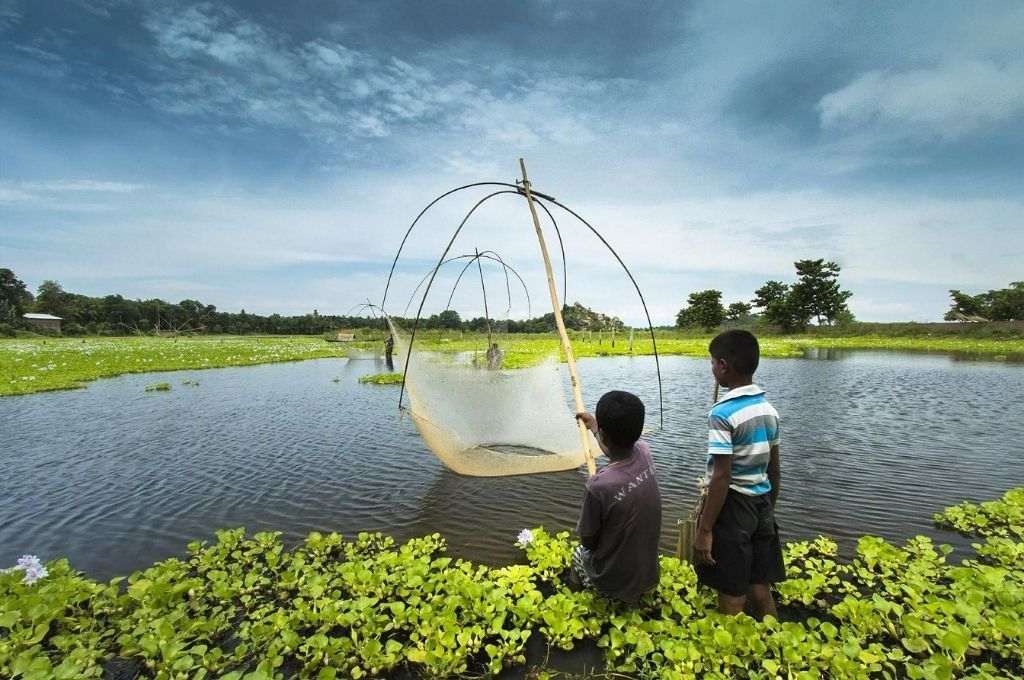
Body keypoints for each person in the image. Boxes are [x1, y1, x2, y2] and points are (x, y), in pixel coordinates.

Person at [695, 329, 784, 619]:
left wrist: (705, 530)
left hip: (734, 506)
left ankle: (732, 652)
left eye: (712, 363)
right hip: (761, 503)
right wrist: (768, 508)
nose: (711, 369)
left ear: (723, 366)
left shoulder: (722, 414)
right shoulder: (768, 409)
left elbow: (721, 477)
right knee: (760, 582)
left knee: (731, 587)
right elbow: (774, 468)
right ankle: (773, 635)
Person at [572, 390, 662, 604]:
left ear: (605, 433)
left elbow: (588, 540)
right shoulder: (644, 452)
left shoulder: (599, 485)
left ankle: (582, 597)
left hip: (614, 584)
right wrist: (594, 427)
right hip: (649, 575)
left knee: (578, 554)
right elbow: (613, 449)